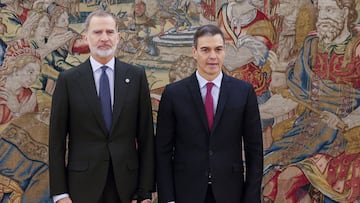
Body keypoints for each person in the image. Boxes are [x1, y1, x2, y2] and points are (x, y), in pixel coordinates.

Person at [49, 9, 155, 203]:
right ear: (85, 38)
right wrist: (60, 194)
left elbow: (146, 137)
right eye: (97, 32)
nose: (104, 38)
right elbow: (56, 141)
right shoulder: (68, 80)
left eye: (109, 32)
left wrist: (145, 191)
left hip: (127, 188)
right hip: (81, 188)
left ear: (118, 37)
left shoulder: (136, 77)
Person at [262, 0, 360, 202]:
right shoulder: (311, 45)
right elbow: (296, 95)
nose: (323, 15)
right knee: (268, 184)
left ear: (345, 12)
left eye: (330, 9)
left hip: (342, 138)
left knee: (286, 181)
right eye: (321, 9)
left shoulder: (357, 48)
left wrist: (347, 121)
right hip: (307, 131)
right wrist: (256, 110)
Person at [155, 24, 263, 203]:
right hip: (186, 193)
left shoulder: (243, 92)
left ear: (224, 52)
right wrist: (167, 198)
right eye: (205, 50)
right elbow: (163, 151)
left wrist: (251, 197)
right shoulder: (174, 94)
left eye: (218, 49)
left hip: (231, 192)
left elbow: (255, 150)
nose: (212, 56)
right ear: (194, 52)